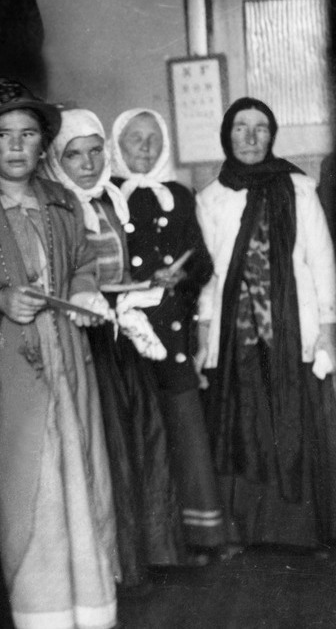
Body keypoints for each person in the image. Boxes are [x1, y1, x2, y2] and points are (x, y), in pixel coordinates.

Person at [0, 78, 118, 629]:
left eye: (29, 134)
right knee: (28, 478)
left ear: (43, 143)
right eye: (5, 135)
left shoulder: (63, 200)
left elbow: (83, 265)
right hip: (9, 363)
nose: (18, 146)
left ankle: (88, 608)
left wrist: (83, 289)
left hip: (69, 355)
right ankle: (37, 612)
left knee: (78, 467)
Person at [42, 108, 184, 587]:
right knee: (109, 445)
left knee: (144, 432)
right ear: (57, 161)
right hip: (89, 335)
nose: (87, 163)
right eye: (73, 154)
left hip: (123, 332)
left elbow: (122, 271)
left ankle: (152, 549)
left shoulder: (112, 200)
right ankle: (118, 561)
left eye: (95, 151)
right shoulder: (59, 207)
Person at [196, 97, 336, 554]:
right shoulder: (211, 197)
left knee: (295, 423)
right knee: (243, 427)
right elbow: (208, 276)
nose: (251, 138)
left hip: (292, 330)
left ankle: (303, 532)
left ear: (272, 135)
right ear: (227, 134)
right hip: (237, 338)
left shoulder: (298, 188)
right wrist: (204, 336)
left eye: (261, 128)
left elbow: (322, 259)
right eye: (241, 127)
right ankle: (246, 532)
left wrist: (330, 326)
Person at [109, 108, 227, 561]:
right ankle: (156, 543)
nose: (145, 147)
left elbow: (202, 259)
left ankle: (200, 535)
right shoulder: (109, 194)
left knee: (183, 428)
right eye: (135, 139)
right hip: (132, 334)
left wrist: (183, 274)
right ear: (118, 145)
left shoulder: (179, 193)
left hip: (174, 327)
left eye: (154, 139)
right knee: (145, 430)